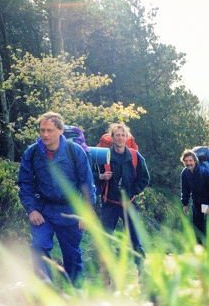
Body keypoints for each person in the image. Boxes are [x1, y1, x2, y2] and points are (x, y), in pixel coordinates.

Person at [17, 112, 96, 284]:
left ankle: (75, 294)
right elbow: (25, 184)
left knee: (72, 256)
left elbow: (87, 186)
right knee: (38, 247)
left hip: (70, 211)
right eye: (42, 130)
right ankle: (46, 292)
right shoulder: (32, 153)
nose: (45, 134)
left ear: (60, 130)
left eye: (50, 130)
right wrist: (32, 209)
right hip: (43, 209)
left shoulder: (75, 152)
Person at [95, 123, 150, 265]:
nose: (120, 138)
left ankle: (143, 271)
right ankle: (106, 273)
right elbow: (90, 176)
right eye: (117, 135)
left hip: (129, 204)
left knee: (135, 240)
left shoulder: (135, 155)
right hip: (109, 204)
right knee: (105, 240)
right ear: (112, 137)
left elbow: (145, 178)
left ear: (127, 137)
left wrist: (133, 191)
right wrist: (101, 177)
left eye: (123, 135)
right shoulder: (103, 155)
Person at [180, 149, 209, 243]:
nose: (188, 163)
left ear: (195, 161)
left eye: (190, 160)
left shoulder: (204, 172)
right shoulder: (185, 173)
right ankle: (200, 253)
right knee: (197, 230)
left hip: (208, 202)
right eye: (186, 161)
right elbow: (185, 190)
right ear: (183, 162)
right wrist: (185, 204)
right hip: (196, 204)